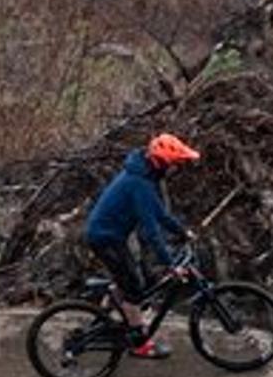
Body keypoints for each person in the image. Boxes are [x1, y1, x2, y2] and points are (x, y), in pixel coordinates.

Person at [84, 132, 203, 359]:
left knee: (126, 281)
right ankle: (140, 345)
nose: (175, 170)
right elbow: (151, 231)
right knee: (134, 290)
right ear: (162, 163)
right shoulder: (140, 184)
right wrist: (170, 265)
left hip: (109, 236)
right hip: (106, 238)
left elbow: (160, 215)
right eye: (175, 165)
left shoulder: (143, 177)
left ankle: (106, 319)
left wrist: (182, 232)